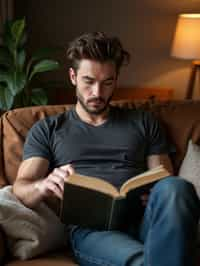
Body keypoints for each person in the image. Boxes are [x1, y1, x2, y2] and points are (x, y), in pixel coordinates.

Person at [13, 32, 200, 266]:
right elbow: (21, 188)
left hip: (144, 221)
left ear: (116, 79)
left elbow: (163, 178)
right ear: (73, 76)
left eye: (107, 82)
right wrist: (43, 185)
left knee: (175, 186)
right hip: (93, 232)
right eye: (89, 82)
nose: (97, 93)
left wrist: (154, 193)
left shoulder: (144, 122)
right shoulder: (48, 129)